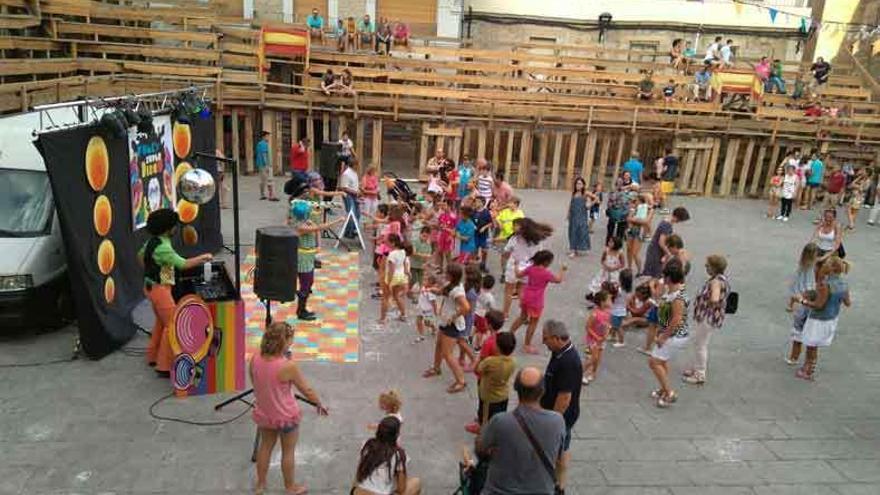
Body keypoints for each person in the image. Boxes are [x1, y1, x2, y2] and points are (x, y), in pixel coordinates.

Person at [251, 322, 328, 495]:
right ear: (284, 342)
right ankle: (290, 487)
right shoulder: (287, 366)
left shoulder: (255, 358)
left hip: (265, 414)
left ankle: (260, 485)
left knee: (265, 447)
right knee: (288, 451)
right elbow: (306, 389)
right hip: (286, 416)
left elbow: (255, 383)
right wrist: (318, 403)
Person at [140, 209, 213, 376]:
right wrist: (203, 257)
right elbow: (183, 264)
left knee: (161, 322)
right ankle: (164, 366)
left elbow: (140, 256)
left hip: (150, 286)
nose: (176, 229)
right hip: (160, 290)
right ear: (168, 228)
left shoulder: (153, 242)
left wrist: (152, 270)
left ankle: (153, 356)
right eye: (174, 226)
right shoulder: (164, 247)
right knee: (173, 325)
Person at [477, 367, 566, 495]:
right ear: (543, 390)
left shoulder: (500, 421)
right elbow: (559, 456)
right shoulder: (557, 421)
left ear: (516, 388)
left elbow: (481, 449)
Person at [540, 320, 582, 491]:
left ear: (557, 338)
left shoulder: (568, 361)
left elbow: (564, 397)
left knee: (558, 449)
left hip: (561, 416)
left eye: (545, 339)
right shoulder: (559, 352)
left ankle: (558, 485)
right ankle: (558, 483)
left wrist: (552, 420)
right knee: (562, 448)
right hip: (555, 412)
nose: (543, 342)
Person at [793, 257, 850, 380]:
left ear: (831, 268)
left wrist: (802, 301)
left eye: (827, 264)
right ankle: (810, 368)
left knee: (811, 345)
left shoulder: (826, 285)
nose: (825, 265)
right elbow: (847, 302)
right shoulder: (844, 283)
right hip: (832, 318)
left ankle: (808, 370)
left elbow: (818, 305)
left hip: (818, 319)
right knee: (815, 345)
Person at [288, 199, 344, 320]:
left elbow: (315, 225)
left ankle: (301, 303)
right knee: (306, 283)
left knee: (308, 282)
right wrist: (338, 221)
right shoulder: (299, 226)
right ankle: (301, 310)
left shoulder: (301, 222)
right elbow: (319, 227)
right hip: (302, 258)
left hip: (307, 257)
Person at [682, 255, 730, 385]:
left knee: (700, 345)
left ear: (714, 268)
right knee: (699, 343)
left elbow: (715, 298)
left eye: (707, 265)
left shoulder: (715, 282)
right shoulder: (721, 279)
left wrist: (706, 303)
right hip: (709, 317)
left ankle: (700, 373)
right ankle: (696, 367)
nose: (705, 267)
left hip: (706, 318)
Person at [648, 261, 689, 408]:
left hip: (674, 336)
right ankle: (663, 388)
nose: (662, 278)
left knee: (654, 362)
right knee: (662, 361)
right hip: (668, 333)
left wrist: (663, 336)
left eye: (664, 276)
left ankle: (670, 392)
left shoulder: (677, 297)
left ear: (669, 278)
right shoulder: (671, 291)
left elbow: (676, 320)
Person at [423, 263, 470, 394]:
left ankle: (461, 381)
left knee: (448, 354)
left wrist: (453, 316)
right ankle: (436, 368)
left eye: (446, 273)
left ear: (451, 275)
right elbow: (442, 291)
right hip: (445, 321)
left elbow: (466, 307)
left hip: (452, 324)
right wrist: (432, 290)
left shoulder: (457, 291)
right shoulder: (451, 285)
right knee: (439, 345)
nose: (444, 275)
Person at [511, 250, 567, 354]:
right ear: (546, 262)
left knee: (522, 317)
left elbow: (518, 274)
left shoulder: (531, 268)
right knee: (533, 322)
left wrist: (516, 265)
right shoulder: (546, 273)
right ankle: (527, 345)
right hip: (536, 300)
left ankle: (510, 333)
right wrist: (563, 270)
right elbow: (558, 280)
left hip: (526, 296)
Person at [352, 416, 421, 495]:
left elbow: (358, 473)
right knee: (416, 482)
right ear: (397, 435)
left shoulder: (367, 445)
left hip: (358, 492)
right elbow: (401, 489)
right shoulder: (398, 454)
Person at [468, 332, 516, 435]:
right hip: (503, 395)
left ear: (498, 347)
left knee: (485, 419)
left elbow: (477, 370)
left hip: (489, 396)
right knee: (499, 416)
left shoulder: (490, 361)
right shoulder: (512, 362)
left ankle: (483, 434)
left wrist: (479, 358)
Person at [642, 206, 690, 278]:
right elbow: (661, 242)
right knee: (655, 274)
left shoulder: (666, 220)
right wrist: (669, 254)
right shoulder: (667, 225)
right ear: (678, 217)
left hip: (654, 249)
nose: (679, 222)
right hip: (656, 251)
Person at [583, 289, 611, 385]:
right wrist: (596, 337)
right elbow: (588, 327)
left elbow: (607, 324)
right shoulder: (595, 314)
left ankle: (593, 373)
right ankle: (580, 372)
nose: (610, 302)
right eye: (609, 300)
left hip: (602, 339)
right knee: (593, 358)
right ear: (603, 302)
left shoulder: (608, 312)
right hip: (593, 339)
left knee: (598, 357)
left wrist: (607, 333)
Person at [788, 243, 819, 312]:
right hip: (806, 279)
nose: (817, 253)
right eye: (816, 252)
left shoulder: (805, 259)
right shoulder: (810, 261)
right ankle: (803, 304)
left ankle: (791, 304)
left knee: (800, 291)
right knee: (805, 292)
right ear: (812, 254)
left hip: (803, 278)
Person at [567, 176, 592, 257]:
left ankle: (573, 250)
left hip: (581, 215)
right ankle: (574, 249)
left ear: (583, 185)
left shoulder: (585, 193)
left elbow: (595, 199)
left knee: (579, 232)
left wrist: (590, 204)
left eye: (580, 184)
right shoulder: (574, 193)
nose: (578, 185)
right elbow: (571, 203)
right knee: (572, 231)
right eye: (577, 184)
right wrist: (568, 213)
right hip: (573, 215)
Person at [339, 158, 361, 239]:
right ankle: (349, 231)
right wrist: (355, 192)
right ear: (354, 165)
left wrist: (358, 190)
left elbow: (355, 184)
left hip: (354, 194)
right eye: (357, 165)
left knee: (357, 212)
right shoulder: (346, 174)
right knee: (352, 212)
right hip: (348, 195)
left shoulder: (354, 172)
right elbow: (344, 187)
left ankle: (354, 229)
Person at [255, 130, 278, 201]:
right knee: (269, 179)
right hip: (264, 165)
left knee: (263, 180)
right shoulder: (264, 144)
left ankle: (262, 194)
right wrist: (267, 165)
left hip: (260, 164)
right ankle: (271, 196)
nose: (268, 138)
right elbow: (264, 155)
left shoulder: (259, 144)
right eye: (268, 136)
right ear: (264, 136)